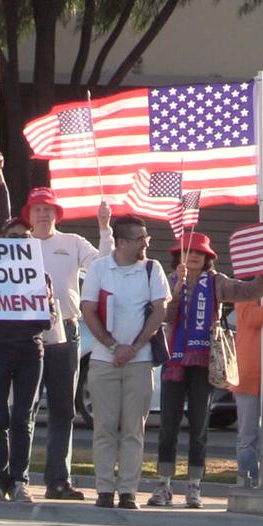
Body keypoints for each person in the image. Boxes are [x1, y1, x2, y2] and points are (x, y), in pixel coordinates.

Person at [148, 232, 263, 509]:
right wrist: (175, 293)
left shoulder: (216, 282)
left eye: (200, 254)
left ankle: (193, 486)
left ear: (208, 259)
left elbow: (249, 291)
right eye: (189, 253)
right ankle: (164, 485)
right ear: (180, 256)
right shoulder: (168, 281)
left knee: (199, 425)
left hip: (205, 361)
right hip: (174, 360)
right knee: (168, 425)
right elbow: (163, 315)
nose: (194, 257)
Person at [21, 183, 112, 500]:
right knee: (24, 408)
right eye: (37, 209)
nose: (43, 214)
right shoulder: (18, 245)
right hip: (26, 332)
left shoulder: (72, 242)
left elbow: (104, 265)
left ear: (57, 214)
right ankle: (18, 478)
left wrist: (104, 228)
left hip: (65, 331)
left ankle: (58, 480)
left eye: (48, 209)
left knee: (61, 410)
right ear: (29, 215)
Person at [79, 215, 168, 509]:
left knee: (133, 428)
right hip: (104, 361)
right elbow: (89, 310)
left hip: (140, 362)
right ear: (123, 242)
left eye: (146, 238)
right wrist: (113, 345)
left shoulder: (152, 270)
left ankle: (128, 490)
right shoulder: (99, 268)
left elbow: (159, 311)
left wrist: (135, 347)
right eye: (141, 238)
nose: (147, 243)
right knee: (104, 427)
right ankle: (104, 489)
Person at [0, 218, 55, 502]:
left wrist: (45, 301)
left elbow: (46, 322)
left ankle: (20, 479)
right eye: (14, 237)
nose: (20, 243)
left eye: (25, 238)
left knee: (22, 419)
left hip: (28, 351)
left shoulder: (41, 276)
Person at [232, 298, 263, 488]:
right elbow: (252, 318)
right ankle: (248, 480)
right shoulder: (246, 294)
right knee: (248, 436)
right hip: (248, 376)